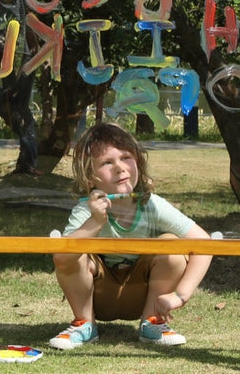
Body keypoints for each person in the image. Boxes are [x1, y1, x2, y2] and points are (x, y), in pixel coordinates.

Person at [47, 122, 212, 350]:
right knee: (73, 250)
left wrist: (180, 296)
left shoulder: (152, 205)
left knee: (172, 247)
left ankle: (152, 323)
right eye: (107, 162)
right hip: (98, 299)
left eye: (126, 157)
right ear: (90, 178)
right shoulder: (87, 209)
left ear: (138, 162)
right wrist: (95, 221)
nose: (120, 167)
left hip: (144, 297)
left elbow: (204, 243)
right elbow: (62, 260)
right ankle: (84, 324)